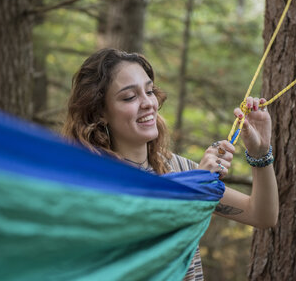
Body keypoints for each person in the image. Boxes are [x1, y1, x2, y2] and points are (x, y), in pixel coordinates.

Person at [62, 48, 279, 281]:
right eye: (129, 97)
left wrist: (260, 154)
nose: (148, 103)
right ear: (100, 111)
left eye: (149, 91)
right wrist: (193, 190)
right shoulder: (96, 183)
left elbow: (262, 216)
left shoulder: (174, 165)